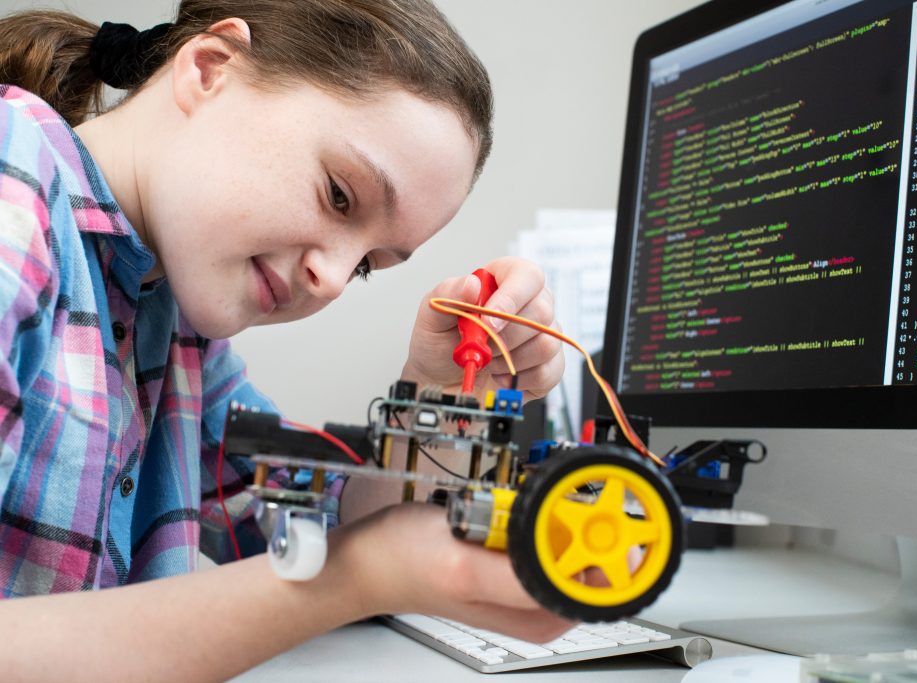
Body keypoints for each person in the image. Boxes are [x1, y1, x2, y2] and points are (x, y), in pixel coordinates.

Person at [0, 1, 570, 680]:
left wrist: (439, 393)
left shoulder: (169, 313)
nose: (329, 279)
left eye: (365, 264)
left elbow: (311, 520)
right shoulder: (15, 185)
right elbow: (349, 557)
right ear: (211, 68)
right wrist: (361, 574)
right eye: (338, 195)